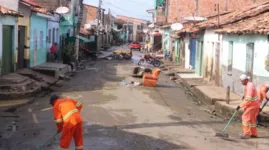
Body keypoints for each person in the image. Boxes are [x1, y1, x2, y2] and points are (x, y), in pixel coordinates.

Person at [236, 74, 260, 139]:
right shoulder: (249, 85)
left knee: (245, 117)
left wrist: (240, 105)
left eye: (242, 81)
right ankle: (253, 134)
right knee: (252, 120)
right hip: (254, 105)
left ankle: (246, 133)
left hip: (252, 105)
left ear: (246, 80)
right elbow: (248, 97)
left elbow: (248, 99)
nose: (241, 82)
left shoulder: (249, 86)